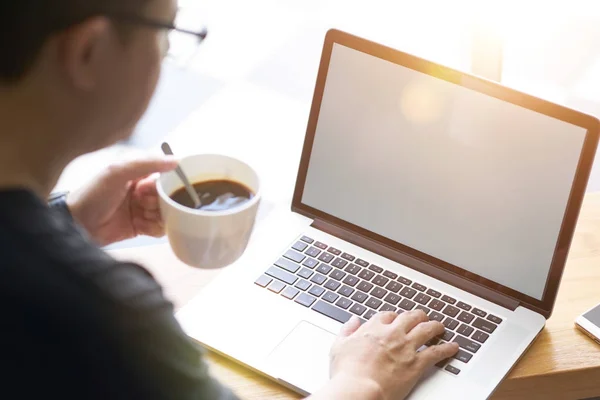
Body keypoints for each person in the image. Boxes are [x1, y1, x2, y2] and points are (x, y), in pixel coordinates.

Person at [0, 1, 459, 399]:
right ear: (89, 52)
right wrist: (363, 382)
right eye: (168, 34)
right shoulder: (106, 314)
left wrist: (64, 223)